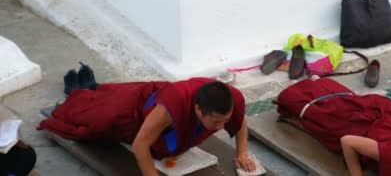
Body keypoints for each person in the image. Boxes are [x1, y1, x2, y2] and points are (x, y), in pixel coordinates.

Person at [39, 78, 256, 176]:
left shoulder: (230, 100)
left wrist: (242, 152)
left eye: (224, 120)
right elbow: (140, 144)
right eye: (217, 122)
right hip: (133, 115)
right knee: (94, 118)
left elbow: (240, 121)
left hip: (170, 123)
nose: (221, 127)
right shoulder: (171, 106)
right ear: (198, 109)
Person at [274, 77, 391, 176]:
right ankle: (313, 84)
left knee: (344, 103)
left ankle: (320, 82)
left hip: (390, 114)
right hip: (367, 122)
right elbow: (348, 142)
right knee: (323, 117)